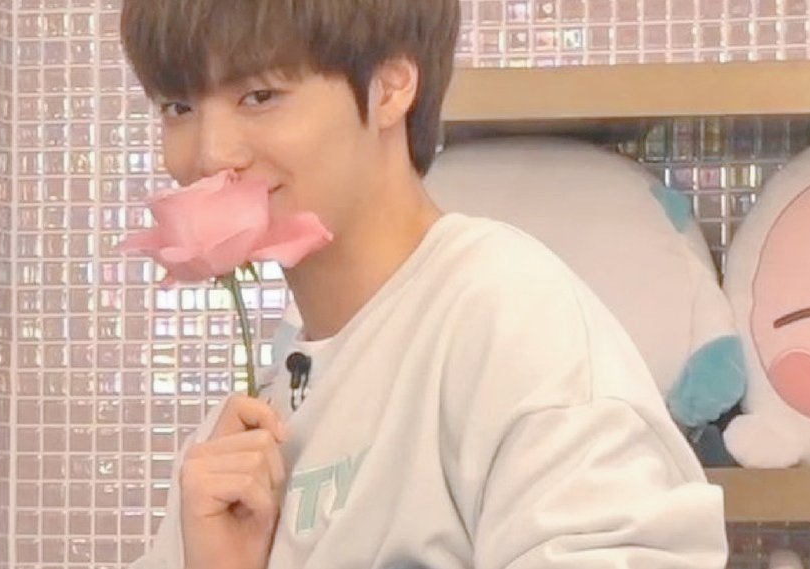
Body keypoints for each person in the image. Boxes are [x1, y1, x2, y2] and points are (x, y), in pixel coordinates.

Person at [120, 1, 729, 567]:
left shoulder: (507, 319)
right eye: (179, 108)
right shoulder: (244, 431)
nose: (211, 155)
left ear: (390, 86)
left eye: (260, 96)